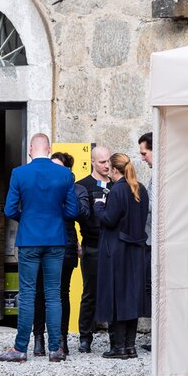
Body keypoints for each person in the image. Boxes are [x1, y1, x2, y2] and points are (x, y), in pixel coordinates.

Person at [0, 134, 78, 362]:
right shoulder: (64, 174)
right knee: (54, 294)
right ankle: (55, 349)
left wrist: (28, 218)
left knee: (28, 294)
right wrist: (53, 216)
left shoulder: (19, 173)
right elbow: (72, 211)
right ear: (50, 149)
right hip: (55, 238)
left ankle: (20, 348)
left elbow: (10, 209)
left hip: (29, 239)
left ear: (31, 149)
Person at [30, 152, 89, 356]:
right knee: (39, 293)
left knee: (62, 293)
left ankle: (61, 340)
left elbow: (82, 213)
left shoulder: (77, 189)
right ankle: (38, 339)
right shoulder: (39, 186)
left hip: (65, 245)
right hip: (39, 242)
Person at [93, 153, 149, 359]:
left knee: (115, 296)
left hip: (117, 250)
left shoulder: (117, 190)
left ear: (115, 170)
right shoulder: (140, 188)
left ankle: (118, 347)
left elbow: (108, 219)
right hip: (136, 249)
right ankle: (130, 346)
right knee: (131, 297)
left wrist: (98, 205)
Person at [75, 145, 112, 353]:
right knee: (90, 293)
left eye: (108, 161)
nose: (106, 165)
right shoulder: (82, 186)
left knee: (115, 291)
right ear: (92, 162)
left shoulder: (117, 184)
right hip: (92, 245)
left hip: (114, 248)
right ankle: (85, 337)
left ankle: (117, 337)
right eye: (102, 162)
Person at [138, 132, 153, 352]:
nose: (142, 158)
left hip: (156, 241)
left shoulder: (160, 175)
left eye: (144, 153)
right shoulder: (154, 175)